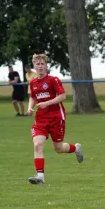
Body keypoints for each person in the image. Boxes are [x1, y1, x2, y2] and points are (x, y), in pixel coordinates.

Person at [26, 54, 83, 184]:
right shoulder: (33, 82)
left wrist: (47, 103)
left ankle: (76, 148)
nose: (40, 66)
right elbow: (33, 97)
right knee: (38, 144)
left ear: (46, 65)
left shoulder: (53, 80)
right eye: (37, 64)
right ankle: (40, 177)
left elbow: (62, 96)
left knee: (59, 148)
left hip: (56, 117)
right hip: (41, 118)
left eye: (42, 64)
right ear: (34, 66)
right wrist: (30, 107)